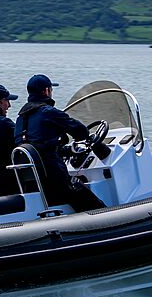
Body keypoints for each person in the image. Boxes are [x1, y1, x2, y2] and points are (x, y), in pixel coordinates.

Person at [14, 74, 104, 211]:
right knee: (83, 192)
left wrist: (64, 149)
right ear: (46, 91)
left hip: (33, 182)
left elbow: (40, 145)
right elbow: (80, 131)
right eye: (50, 89)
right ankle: (108, 218)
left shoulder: (20, 119)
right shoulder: (48, 112)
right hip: (55, 180)